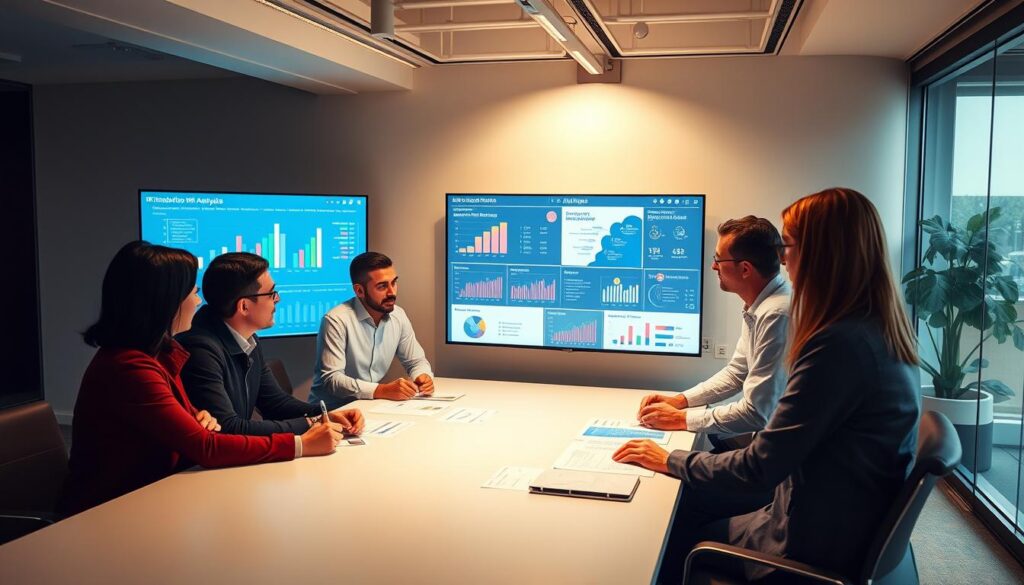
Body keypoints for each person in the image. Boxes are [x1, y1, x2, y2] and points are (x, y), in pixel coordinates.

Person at [613, 188, 920, 582]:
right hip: (835, 517)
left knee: (672, 525)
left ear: (822, 254)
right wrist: (683, 407)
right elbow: (744, 383)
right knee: (687, 488)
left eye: (787, 245)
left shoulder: (838, 346)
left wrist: (667, 459)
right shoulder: (870, 331)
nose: (782, 257)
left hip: (806, 541)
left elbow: (759, 466)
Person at [59, 242, 344, 516]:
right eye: (192, 293)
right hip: (114, 511)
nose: (198, 301)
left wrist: (198, 417)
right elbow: (207, 445)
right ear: (166, 303)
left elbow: (204, 425)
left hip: (159, 495)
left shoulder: (159, 354)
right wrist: (301, 444)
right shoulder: (131, 368)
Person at [636, 216, 789, 448]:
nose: (713, 266)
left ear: (745, 269)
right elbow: (737, 373)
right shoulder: (759, 306)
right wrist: (680, 400)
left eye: (718, 259)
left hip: (781, 459)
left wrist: (681, 419)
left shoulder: (776, 315)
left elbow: (758, 413)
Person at [177, 253, 364, 436]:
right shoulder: (200, 350)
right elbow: (227, 427)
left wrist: (328, 415)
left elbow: (275, 403)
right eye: (272, 294)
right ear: (244, 306)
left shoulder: (248, 338)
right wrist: (312, 423)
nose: (278, 299)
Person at [309, 251, 435, 410]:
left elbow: (416, 362)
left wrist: (422, 376)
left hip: (370, 407)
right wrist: (381, 390)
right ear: (359, 291)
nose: (392, 292)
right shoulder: (336, 320)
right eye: (382, 286)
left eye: (394, 283)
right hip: (331, 413)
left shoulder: (398, 315)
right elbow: (333, 380)